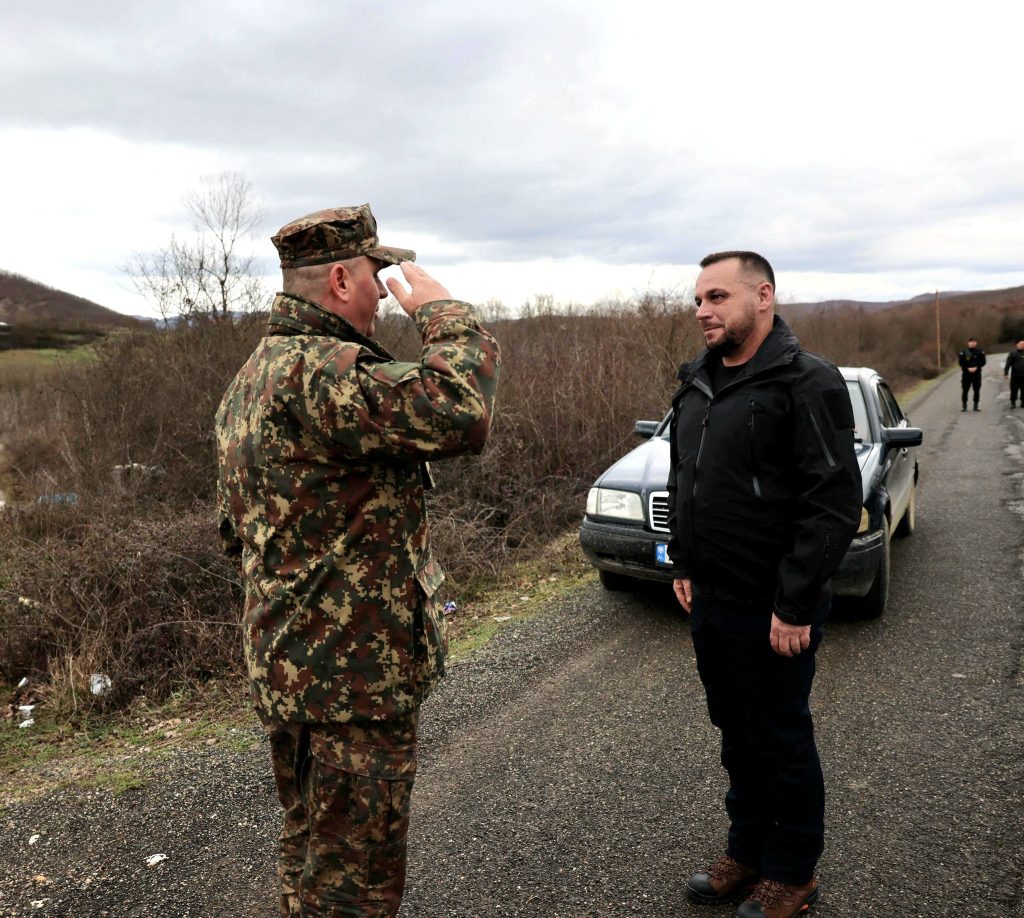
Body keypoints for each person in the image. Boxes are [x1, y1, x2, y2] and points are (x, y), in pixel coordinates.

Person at [215, 204, 500, 917]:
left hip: (293, 662)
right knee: (357, 884)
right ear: (342, 279)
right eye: (377, 275)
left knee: (314, 845)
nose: (384, 290)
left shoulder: (254, 376)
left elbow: (240, 528)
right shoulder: (322, 371)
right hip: (350, 680)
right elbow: (462, 410)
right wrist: (445, 314)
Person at [666, 252, 861, 918]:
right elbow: (684, 479)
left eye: (717, 296)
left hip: (774, 606)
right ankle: (747, 852)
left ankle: (793, 872)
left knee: (779, 737)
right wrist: (683, 562)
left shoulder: (806, 382)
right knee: (735, 732)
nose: (702, 310)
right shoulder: (696, 382)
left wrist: (796, 600)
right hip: (711, 600)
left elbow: (832, 500)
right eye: (698, 299)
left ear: (764, 296)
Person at [958, 336, 986, 411]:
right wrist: (967, 368)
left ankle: (976, 405)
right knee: (965, 390)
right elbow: (961, 362)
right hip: (966, 374)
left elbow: (983, 362)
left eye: (974, 342)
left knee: (976, 390)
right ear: (968, 343)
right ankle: (964, 406)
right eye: (971, 342)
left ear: (976, 343)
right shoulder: (963, 352)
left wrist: (976, 367)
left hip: (976, 374)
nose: (972, 343)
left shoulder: (980, 352)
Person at [1003, 338, 1024, 408]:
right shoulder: (1012, 353)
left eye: (1023, 344)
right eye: (1020, 344)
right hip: (1015, 375)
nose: (1022, 345)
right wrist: (1006, 373)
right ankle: (1013, 402)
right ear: (1017, 345)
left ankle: (1023, 403)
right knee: (1014, 390)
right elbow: (1008, 364)